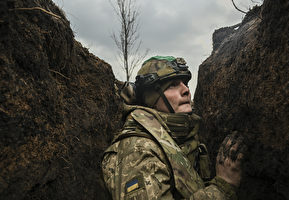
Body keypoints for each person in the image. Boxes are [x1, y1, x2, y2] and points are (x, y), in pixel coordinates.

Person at [102, 56, 244, 199]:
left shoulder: (182, 136)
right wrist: (222, 187)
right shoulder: (139, 150)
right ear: (152, 99)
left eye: (185, 83)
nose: (186, 90)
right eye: (172, 85)